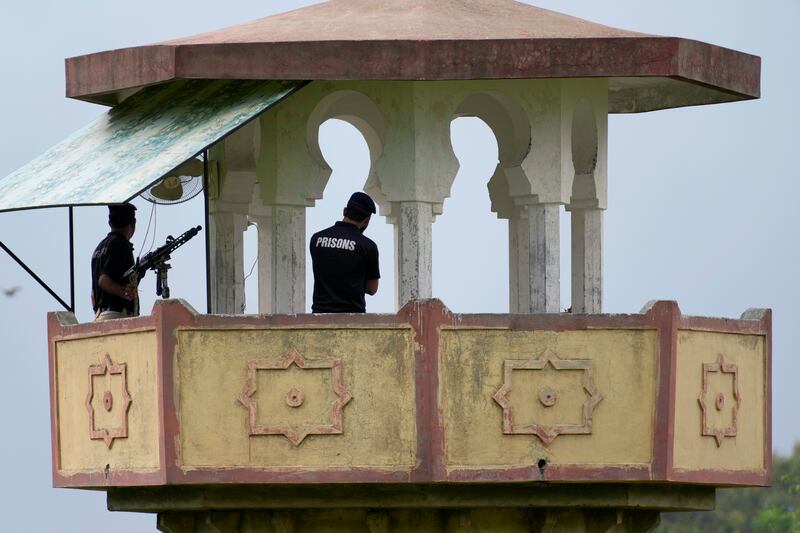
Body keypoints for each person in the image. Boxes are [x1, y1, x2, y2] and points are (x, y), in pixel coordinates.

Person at [310, 192, 380, 313]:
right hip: (353, 318)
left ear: (344, 211)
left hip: (319, 315)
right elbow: (372, 289)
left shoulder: (316, 239)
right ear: (366, 221)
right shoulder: (368, 246)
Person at [91, 203, 139, 321]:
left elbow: (93, 294)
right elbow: (104, 281)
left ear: (109, 223)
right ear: (133, 224)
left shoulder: (99, 247)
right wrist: (125, 293)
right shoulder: (121, 245)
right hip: (117, 316)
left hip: (100, 316)